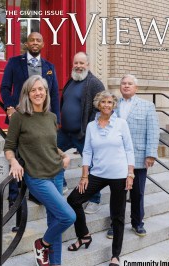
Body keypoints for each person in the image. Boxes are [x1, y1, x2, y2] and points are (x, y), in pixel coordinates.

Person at [3, 75, 76, 266]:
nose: (38, 93)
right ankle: (41, 245)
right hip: (37, 177)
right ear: (27, 93)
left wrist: (64, 155)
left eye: (41, 89)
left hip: (56, 172)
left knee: (56, 219)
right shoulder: (19, 116)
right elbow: (9, 146)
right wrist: (14, 163)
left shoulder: (51, 116)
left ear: (46, 92)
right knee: (68, 216)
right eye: (33, 90)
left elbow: (50, 146)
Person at [67, 91, 135, 266]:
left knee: (117, 215)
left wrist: (130, 174)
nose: (106, 105)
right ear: (98, 104)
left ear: (114, 105)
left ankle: (115, 255)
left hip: (119, 175)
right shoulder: (91, 126)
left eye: (110, 102)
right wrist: (84, 175)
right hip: (97, 173)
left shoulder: (121, 124)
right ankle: (84, 235)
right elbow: (87, 151)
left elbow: (129, 149)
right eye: (103, 102)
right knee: (73, 200)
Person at [0, 32, 60, 206]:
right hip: (20, 118)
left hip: (41, 119)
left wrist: (56, 120)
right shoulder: (14, 62)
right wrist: (10, 107)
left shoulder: (49, 66)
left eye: (38, 40)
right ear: (26, 43)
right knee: (17, 155)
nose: (35, 43)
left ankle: (36, 193)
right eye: (32, 40)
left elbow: (54, 94)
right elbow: (5, 88)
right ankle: (14, 197)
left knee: (39, 155)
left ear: (42, 44)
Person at [107, 74, 160, 239]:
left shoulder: (147, 106)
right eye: (123, 83)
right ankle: (115, 224)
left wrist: (151, 154)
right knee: (117, 193)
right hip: (117, 157)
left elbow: (153, 130)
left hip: (138, 157)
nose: (126, 86)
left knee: (137, 193)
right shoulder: (113, 105)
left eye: (130, 84)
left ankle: (137, 223)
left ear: (136, 88)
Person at [57, 51, 105, 214]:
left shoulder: (94, 83)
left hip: (83, 134)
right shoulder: (71, 80)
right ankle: (61, 184)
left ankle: (94, 200)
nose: (78, 66)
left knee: (92, 166)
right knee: (51, 153)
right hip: (65, 132)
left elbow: (100, 109)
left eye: (81, 63)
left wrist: (89, 130)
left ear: (87, 65)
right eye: (76, 63)